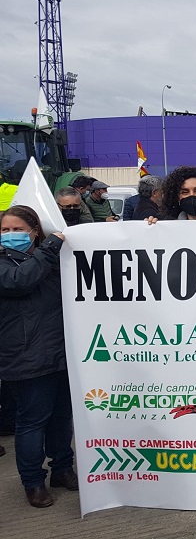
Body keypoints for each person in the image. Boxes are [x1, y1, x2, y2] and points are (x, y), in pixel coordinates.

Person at [0, 205, 76, 507]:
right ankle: (32, 481)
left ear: (34, 231)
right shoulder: (12, 263)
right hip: (26, 356)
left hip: (60, 353)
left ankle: (62, 468)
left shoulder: (52, 260)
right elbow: (19, 282)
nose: (10, 235)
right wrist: (50, 247)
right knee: (32, 422)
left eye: (17, 229)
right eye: (5, 230)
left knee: (61, 417)